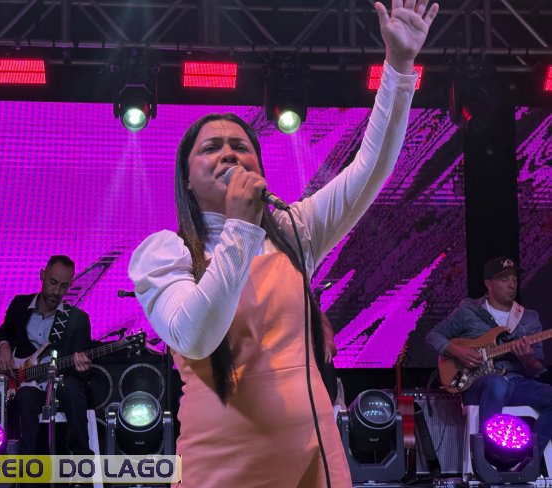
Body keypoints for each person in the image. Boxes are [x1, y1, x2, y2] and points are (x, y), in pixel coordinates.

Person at [129, 1, 438, 485]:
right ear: (187, 179)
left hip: (313, 460)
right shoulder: (165, 252)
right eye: (211, 148)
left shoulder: (294, 230)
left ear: (260, 166)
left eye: (241, 146)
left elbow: (371, 167)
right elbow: (195, 337)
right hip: (222, 467)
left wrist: (398, 67)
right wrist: (240, 228)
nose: (229, 153)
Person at [427, 256, 552, 455]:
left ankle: (528, 457)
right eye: (504, 279)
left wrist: (526, 358)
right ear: (488, 284)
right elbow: (434, 335)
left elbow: (536, 370)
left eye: (514, 279)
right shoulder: (468, 311)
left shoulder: (529, 318)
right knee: (496, 383)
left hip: (516, 384)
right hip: (477, 383)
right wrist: (459, 351)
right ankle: (488, 455)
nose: (512, 284)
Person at [0, 255, 93, 455]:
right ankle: (27, 468)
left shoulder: (78, 319)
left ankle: (81, 460)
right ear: (42, 275)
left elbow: (82, 375)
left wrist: (83, 368)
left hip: (58, 382)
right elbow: (4, 332)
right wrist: (3, 346)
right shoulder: (20, 304)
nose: (56, 291)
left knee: (73, 391)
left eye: (64, 286)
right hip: (23, 382)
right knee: (25, 400)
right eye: (53, 282)